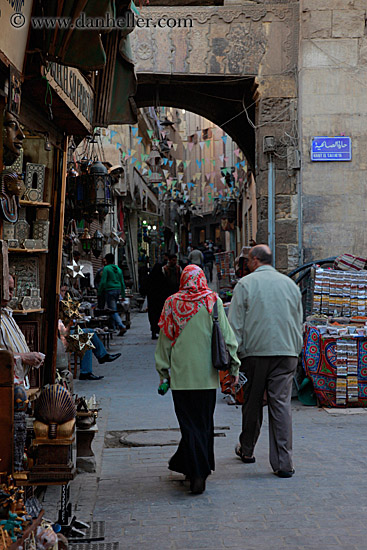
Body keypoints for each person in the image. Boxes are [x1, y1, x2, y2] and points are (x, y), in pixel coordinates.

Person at [155, 265, 241, 494]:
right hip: (206, 378)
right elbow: (227, 337)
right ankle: (198, 469)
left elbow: (165, 341)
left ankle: (196, 472)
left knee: (189, 426)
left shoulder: (171, 303)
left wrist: (163, 372)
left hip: (181, 378)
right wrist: (234, 366)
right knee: (203, 425)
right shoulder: (213, 301)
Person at [228, 244, 303, 478]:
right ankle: (284, 463)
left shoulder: (246, 284)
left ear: (255, 260)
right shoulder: (290, 285)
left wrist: (234, 358)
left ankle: (248, 450)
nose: (248, 264)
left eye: (248, 260)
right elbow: (298, 321)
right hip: (287, 352)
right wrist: (296, 351)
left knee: (252, 403)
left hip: (256, 353)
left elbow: (235, 326)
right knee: (280, 405)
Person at [59, 285, 121, 381]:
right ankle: (100, 358)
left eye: (65, 291)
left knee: (87, 335)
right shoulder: (59, 302)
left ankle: (93, 365)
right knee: (87, 335)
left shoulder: (64, 301)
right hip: (62, 335)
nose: (63, 293)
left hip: (67, 331)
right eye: (62, 291)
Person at [0, 276, 44, 385]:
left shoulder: (7, 314)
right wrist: (23, 357)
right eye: (7, 290)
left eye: (11, 290)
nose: (10, 294)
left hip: (16, 381)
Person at [98, 253, 127, 336]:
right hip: (117, 290)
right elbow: (122, 282)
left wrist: (99, 292)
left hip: (109, 290)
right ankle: (114, 327)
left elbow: (103, 282)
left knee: (112, 310)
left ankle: (121, 326)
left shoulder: (106, 269)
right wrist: (123, 295)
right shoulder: (118, 269)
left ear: (106, 260)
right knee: (112, 308)